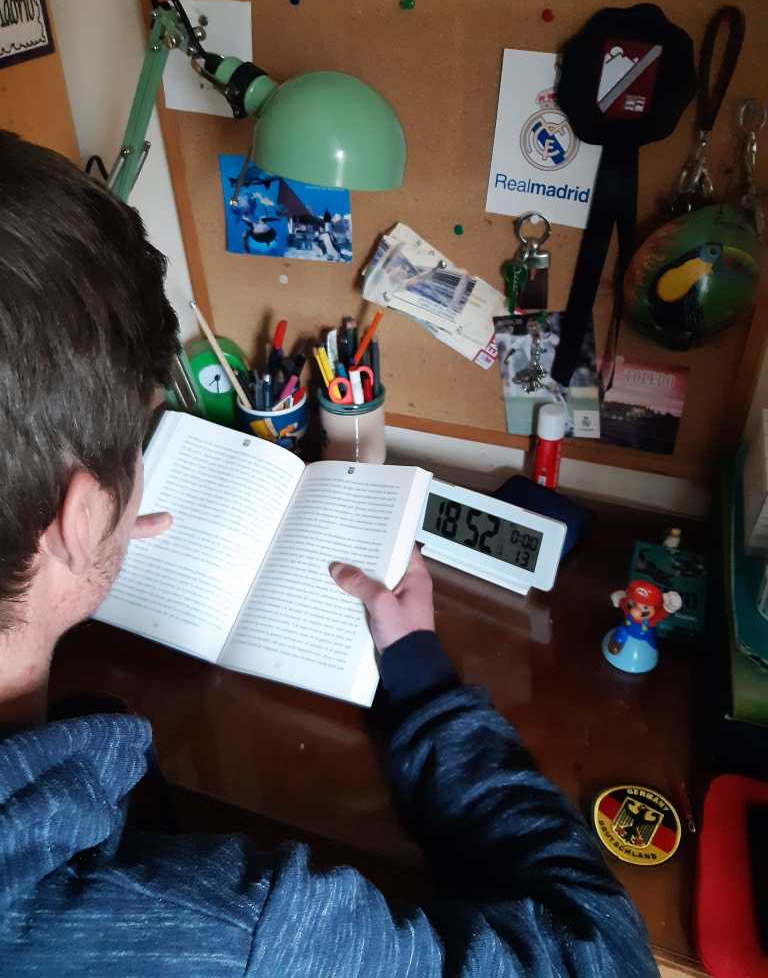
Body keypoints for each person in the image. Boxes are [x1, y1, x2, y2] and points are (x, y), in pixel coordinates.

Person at [0, 131, 659, 976]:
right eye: (141, 444)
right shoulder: (228, 940)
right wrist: (424, 686)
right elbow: (604, 954)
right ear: (80, 515)